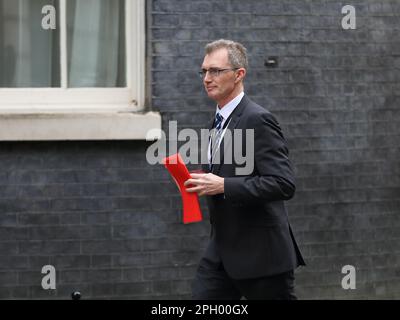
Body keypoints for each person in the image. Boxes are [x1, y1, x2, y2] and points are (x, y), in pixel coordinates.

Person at [184, 39, 306, 300]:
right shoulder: (215, 123)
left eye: (216, 71)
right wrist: (197, 181)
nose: (207, 78)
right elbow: (224, 173)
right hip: (221, 252)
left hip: (262, 257)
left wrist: (223, 185)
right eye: (204, 71)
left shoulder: (258, 119)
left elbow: (283, 183)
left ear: (239, 75)